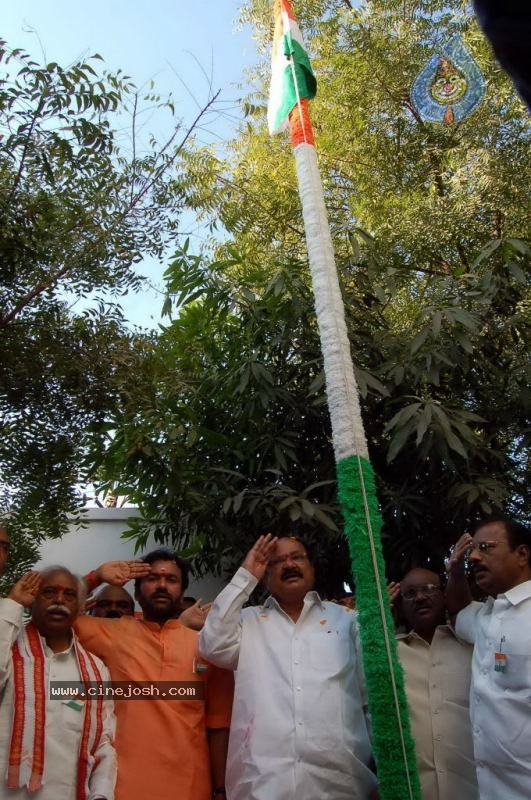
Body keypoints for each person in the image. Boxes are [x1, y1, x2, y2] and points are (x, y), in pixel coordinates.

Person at [199, 534, 379, 800]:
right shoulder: (248, 623)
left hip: (341, 783)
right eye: (277, 561)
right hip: (262, 784)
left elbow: (373, 700)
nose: (289, 565)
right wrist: (246, 575)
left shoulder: (348, 621)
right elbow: (212, 645)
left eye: (297, 557)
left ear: (312, 568)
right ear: (266, 575)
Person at [75, 549, 233, 800]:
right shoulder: (111, 634)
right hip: (123, 787)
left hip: (192, 788)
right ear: (137, 593)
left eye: (171, 580)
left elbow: (219, 726)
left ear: (182, 594)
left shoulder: (207, 646)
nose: (161, 585)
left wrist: (221, 789)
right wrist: (96, 577)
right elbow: (54, 613)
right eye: (152, 579)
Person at [0, 566, 116, 799]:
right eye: (49, 592)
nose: (59, 600)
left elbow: (103, 740)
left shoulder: (94, 670)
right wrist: (13, 603)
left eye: (69, 595)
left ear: (80, 607)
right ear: (33, 599)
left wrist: (101, 793)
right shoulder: (9, 650)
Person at [446, 515, 531, 800]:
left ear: (521, 554)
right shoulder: (486, 614)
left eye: (486, 547)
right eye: (472, 551)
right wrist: (455, 572)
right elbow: (457, 613)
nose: (474, 558)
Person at [390, 568, 478, 799]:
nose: (419, 598)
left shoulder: (474, 646)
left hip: (475, 788)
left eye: (428, 589)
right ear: (400, 606)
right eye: (409, 594)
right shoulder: (390, 655)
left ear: (445, 595)